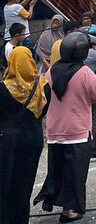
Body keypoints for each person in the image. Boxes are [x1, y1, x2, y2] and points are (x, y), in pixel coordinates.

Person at [35, 32, 96, 222]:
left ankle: (53, 201)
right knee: (76, 174)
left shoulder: (51, 71)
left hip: (54, 131)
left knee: (58, 170)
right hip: (77, 133)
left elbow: (44, 94)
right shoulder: (84, 72)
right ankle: (70, 210)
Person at [0, 47, 50, 223]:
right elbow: (43, 111)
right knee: (25, 183)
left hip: (8, 142)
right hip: (33, 140)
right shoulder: (43, 85)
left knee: (5, 184)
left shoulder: (4, 88)